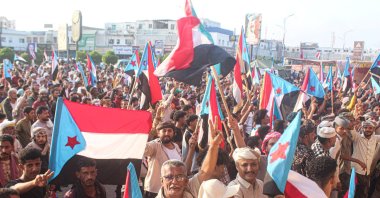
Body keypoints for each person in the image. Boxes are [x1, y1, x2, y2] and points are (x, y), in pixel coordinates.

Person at [156, 121, 223, 198]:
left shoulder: (190, 188)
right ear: (162, 181)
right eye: (169, 177)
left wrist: (214, 146)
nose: (174, 182)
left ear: (186, 181)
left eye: (179, 177)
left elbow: (205, 173)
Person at [143, 121, 181, 197]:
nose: (167, 133)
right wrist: (148, 134)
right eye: (164, 131)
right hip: (155, 190)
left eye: (169, 131)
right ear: (158, 133)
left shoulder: (176, 146)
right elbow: (144, 148)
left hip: (172, 189)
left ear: (173, 133)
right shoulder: (155, 145)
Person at [349, 120, 380, 198]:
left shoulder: (375, 138)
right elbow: (350, 129)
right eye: (365, 127)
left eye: (370, 128)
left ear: (374, 129)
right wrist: (354, 122)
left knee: (363, 193)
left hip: (367, 172)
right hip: (356, 171)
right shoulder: (357, 137)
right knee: (353, 193)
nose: (368, 130)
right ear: (362, 128)